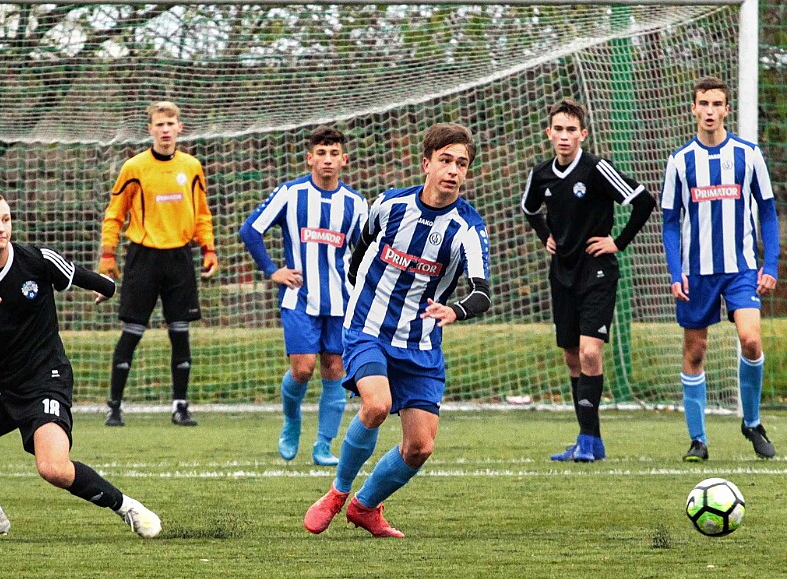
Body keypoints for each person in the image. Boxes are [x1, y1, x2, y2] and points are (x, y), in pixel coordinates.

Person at [0, 190, 161, 542]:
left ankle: (126, 506)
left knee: (53, 469)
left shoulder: (37, 260)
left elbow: (93, 280)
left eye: (5, 219)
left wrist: (107, 287)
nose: (1, 227)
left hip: (44, 381)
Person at [303, 123, 491, 538]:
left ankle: (365, 507)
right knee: (375, 405)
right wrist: (360, 298)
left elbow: (482, 293)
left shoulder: (468, 229)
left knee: (420, 447)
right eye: (445, 161)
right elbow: (359, 251)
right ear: (426, 163)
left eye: (461, 163)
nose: (453, 170)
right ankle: (336, 494)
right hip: (368, 328)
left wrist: (455, 311)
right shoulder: (390, 204)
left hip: (421, 341)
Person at [521, 99, 656, 462]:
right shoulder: (542, 174)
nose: (564, 137)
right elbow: (529, 209)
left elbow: (644, 201)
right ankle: (591, 441)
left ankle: (586, 439)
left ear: (583, 134)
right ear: (549, 133)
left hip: (597, 270)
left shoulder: (597, 168)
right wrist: (544, 235)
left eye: (571, 130)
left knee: (590, 351)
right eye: (558, 130)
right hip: (562, 272)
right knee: (570, 355)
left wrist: (618, 242)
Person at [661, 76, 779, 462]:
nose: (710, 111)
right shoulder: (680, 161)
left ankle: (752, 422)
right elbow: (670, 222)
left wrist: (770, 263)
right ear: (693, 109)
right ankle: (698, 439)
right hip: (697, 273)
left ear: (727, 109)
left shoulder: (749, 154)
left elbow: (767, 211)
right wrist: (675, 271)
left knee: (751, 340)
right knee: (695, 352)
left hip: (741, 269)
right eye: (703, 104)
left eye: (717, 104)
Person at [239, 126, 368, 466]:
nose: (327, 160)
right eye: (321, 154)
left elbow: (366, 252)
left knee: (335, 369)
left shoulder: (355, 204)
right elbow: (250, 230)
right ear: (310, 158)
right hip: (299, 298)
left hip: (341, 301)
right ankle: (292, 421)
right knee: (303, 368)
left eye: (334, 154)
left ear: (344, 160)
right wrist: (271, 270)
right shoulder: (290, 194)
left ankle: (323, 446)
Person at [98, 101, 218, 427]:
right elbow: (114, 215)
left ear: (180, 127)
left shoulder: (192, 167)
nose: (165, 130)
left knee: (180, 333)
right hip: (143, 257)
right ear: (150, 129)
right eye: (159, 124)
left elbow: (202, 213)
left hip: (180, 257)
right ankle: (114, 406)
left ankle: (181, 407)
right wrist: (107, 256)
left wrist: (208, 249)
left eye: (170, 124)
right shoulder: (134, 167)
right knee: (132, 332)